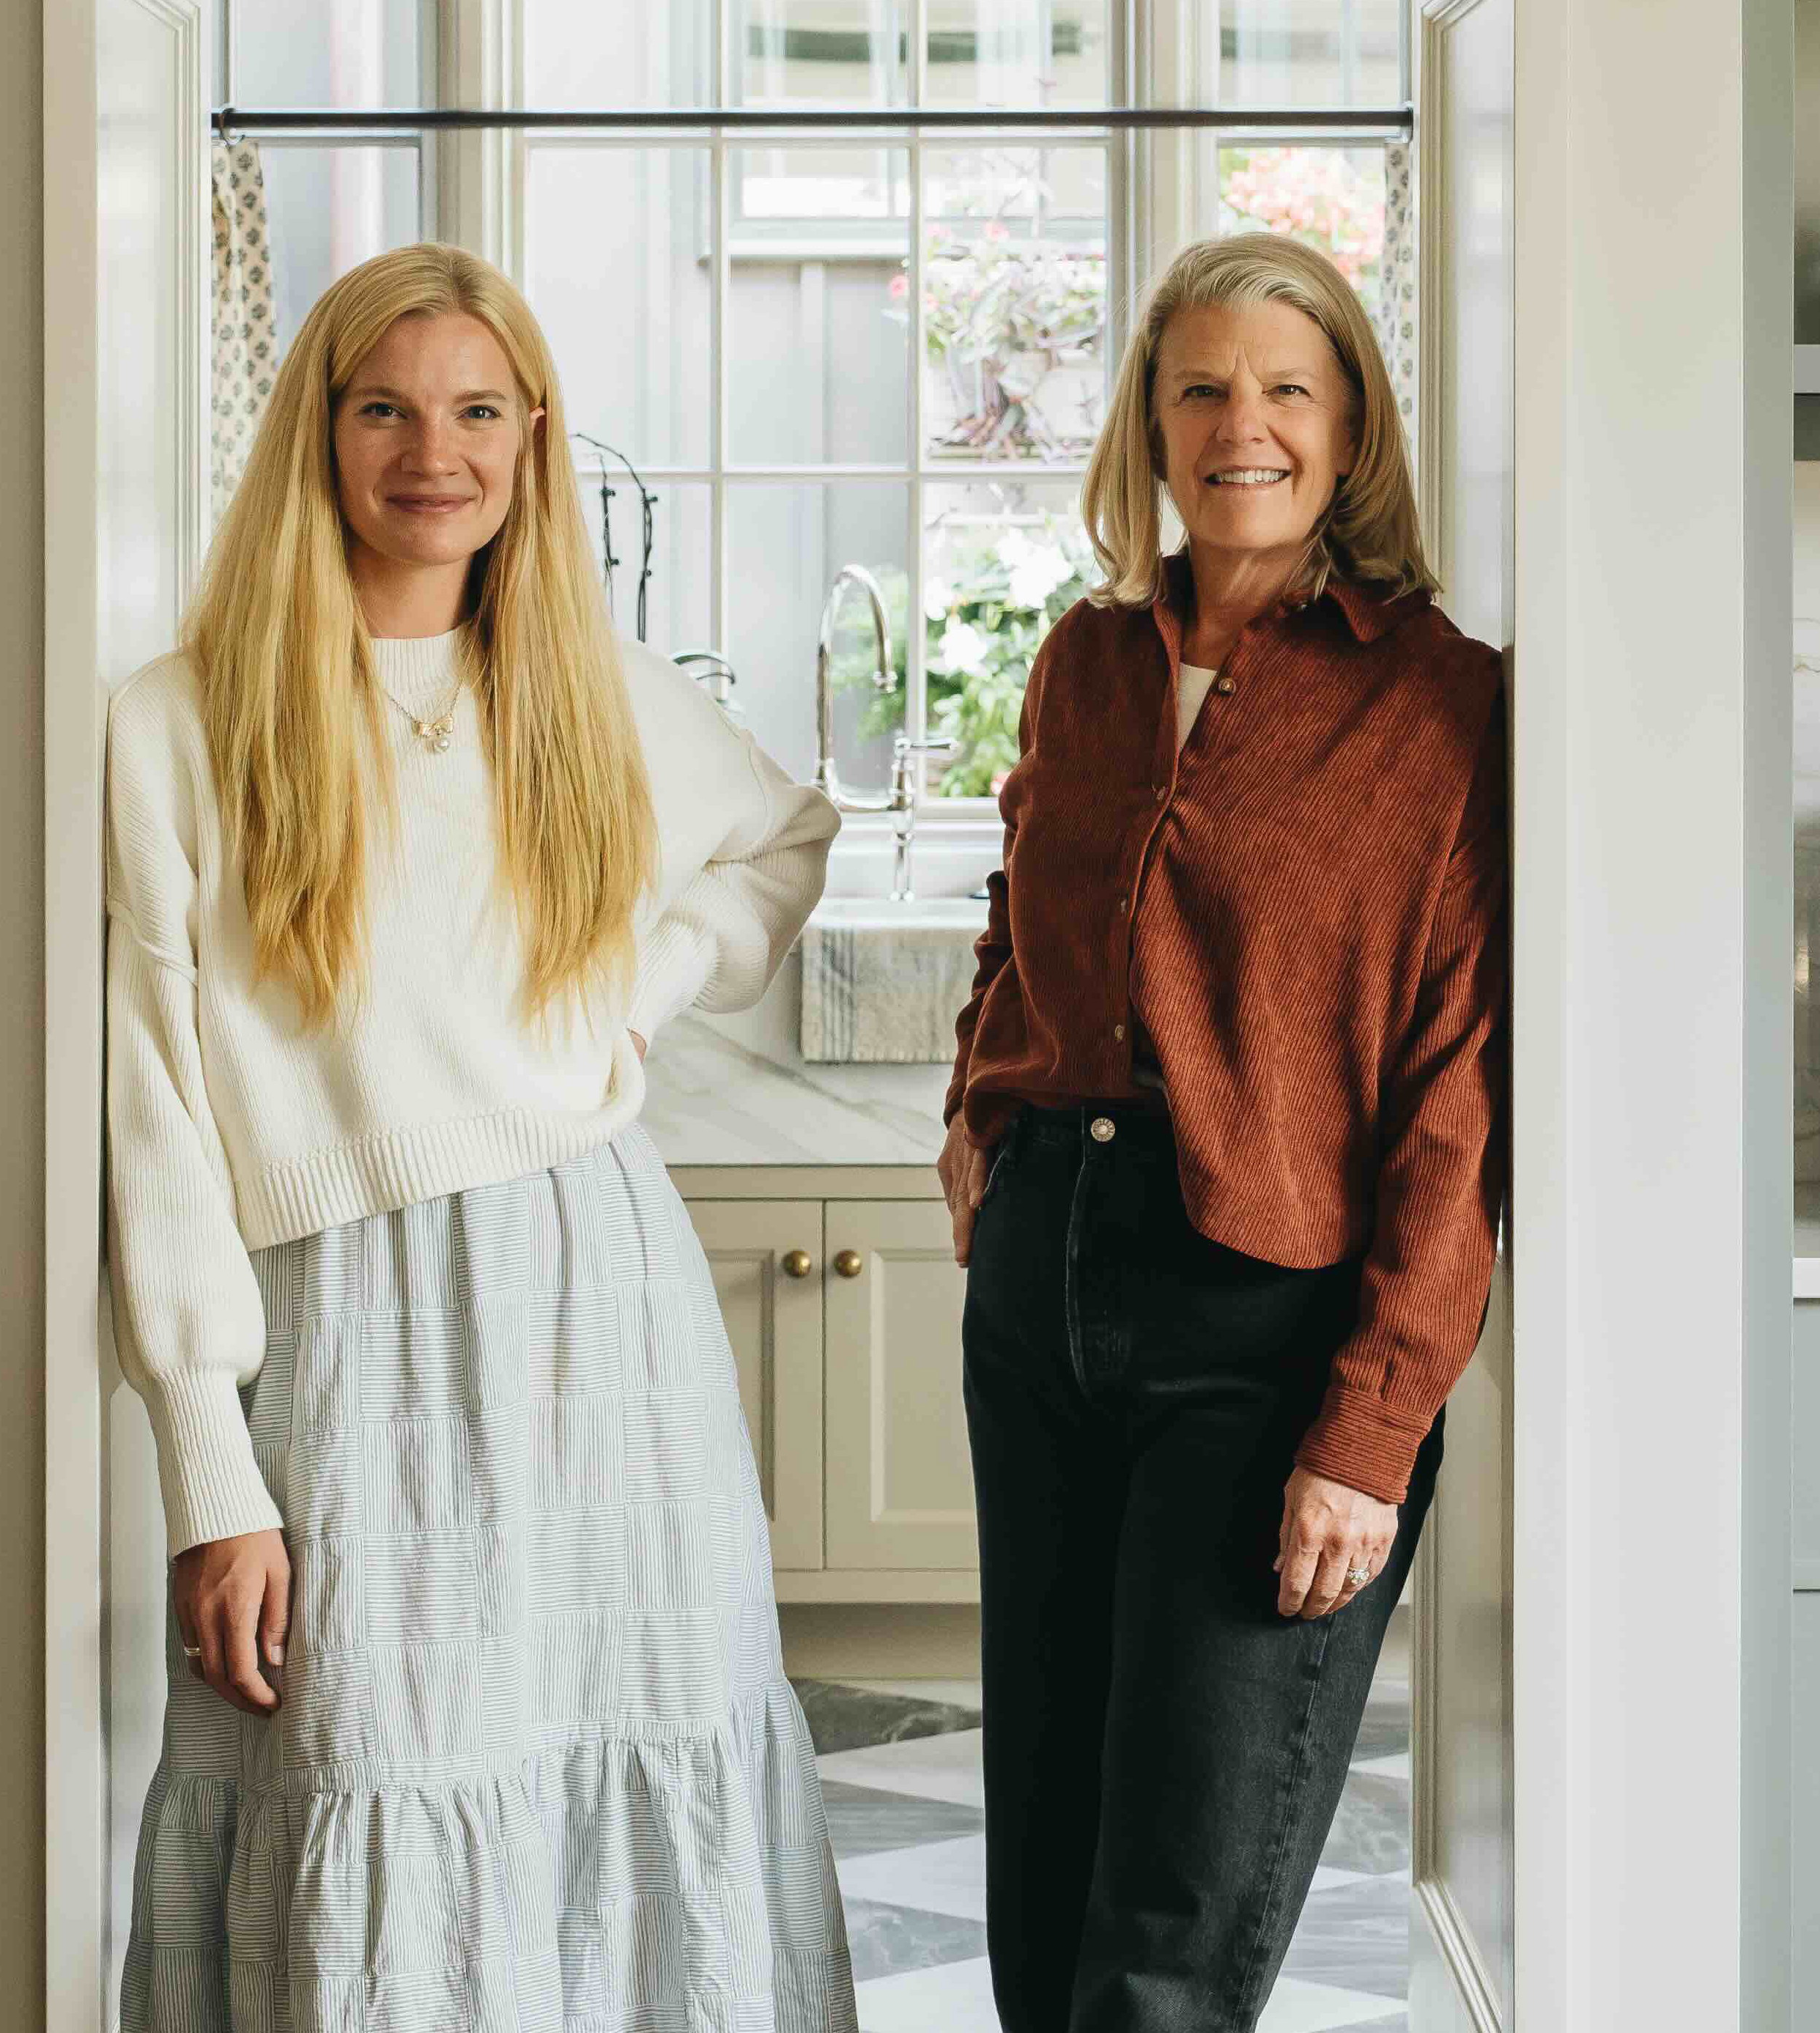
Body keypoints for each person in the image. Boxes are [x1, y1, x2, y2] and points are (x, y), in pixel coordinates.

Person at [105, 241, 857, 2033]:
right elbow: (157, 1113)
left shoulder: (585, 691)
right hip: (345, 1343)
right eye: (383, 408)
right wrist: (212, 1475)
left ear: (531, 442)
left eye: (474, 412)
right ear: (318, 432)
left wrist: (636, 985)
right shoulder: (181, 722)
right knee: (365, 1778)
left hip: (601, 1315)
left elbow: (786, 841)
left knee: (625, 1762)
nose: (429, 453)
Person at [936, 232, 1507, 2032]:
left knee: (1177, 1904)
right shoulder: (1086, 663)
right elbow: (1016, 908)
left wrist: (1372, 1423)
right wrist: (977, 1103)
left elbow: (1455, 1088)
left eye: (1284, 388)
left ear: (1350, 431)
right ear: (1149, 423)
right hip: (1045, 1288)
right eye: (1198, 387)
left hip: (1262, 1328)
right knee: (1041, 1859)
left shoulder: (1441, 702)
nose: (1237, 424)